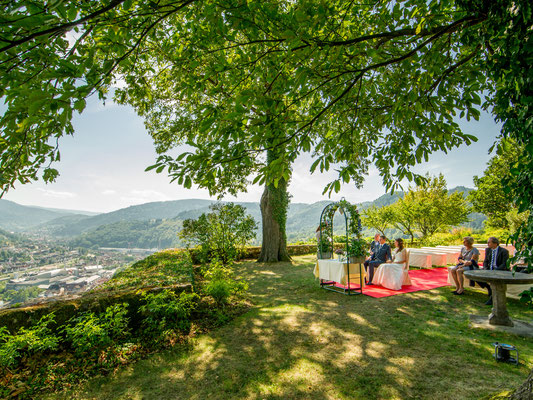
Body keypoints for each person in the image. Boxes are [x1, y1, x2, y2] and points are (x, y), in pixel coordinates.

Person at [479, 236, 510, 305]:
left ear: (495, 243)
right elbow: (485, 261)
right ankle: (489, 288)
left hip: (500, 270)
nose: (487, 244)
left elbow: (504, 264)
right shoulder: (488, 250)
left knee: (495, 280)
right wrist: (485, 269)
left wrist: (495, 270)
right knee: (475, 274)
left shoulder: (504, 251)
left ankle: (492, 299)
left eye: (489, 242)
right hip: (490, 269)